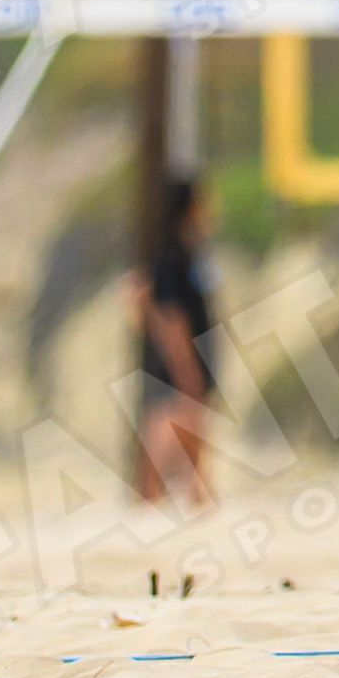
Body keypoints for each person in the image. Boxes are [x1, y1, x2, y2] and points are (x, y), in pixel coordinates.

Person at [130, 170, 215, 507]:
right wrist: (184, 365)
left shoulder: (185, 252)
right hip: (177, 354)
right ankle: (148, 493)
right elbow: (170, 316)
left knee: (188, 420)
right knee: (170, 419)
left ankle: (197, 489)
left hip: (183, 352)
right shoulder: (173, 257)